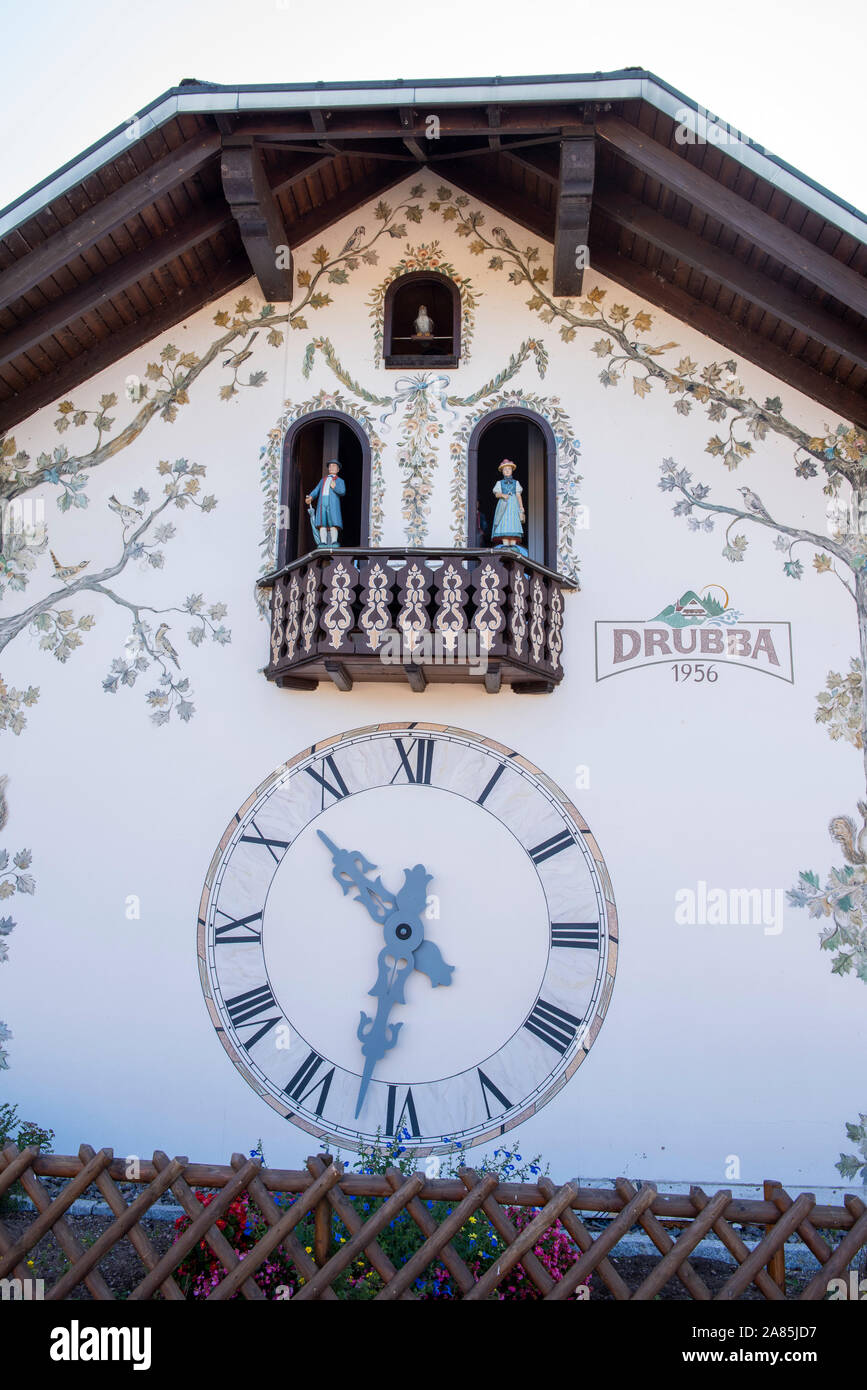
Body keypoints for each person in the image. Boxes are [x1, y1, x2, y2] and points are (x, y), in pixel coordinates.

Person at [306, 459, 346, 547]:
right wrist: (311, 497)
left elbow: (342, 491)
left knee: (333, 523)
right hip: (322, 503)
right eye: (330, 466)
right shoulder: (323, 480)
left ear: (338, 469)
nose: (331, 467)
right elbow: (317, 490)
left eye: (334, 466)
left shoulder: (340, 481)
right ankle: (323, 542)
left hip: (332, 504)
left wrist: (334, 486)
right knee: (322, 523)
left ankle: (334, 541)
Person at [491, 459, 525, 549]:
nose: (507, 471)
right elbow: (496, 494)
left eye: (509, 469)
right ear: (502, 471)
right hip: (504, 503)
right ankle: (505, 543)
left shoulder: (516, 483)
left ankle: (513, 543)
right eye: (505, 469)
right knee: (503, 520)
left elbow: (518, 495)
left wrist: (521, 507)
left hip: (513, 504)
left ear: (512, 470)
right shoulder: (499, 483)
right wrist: (502, 495)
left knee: (513, 521)